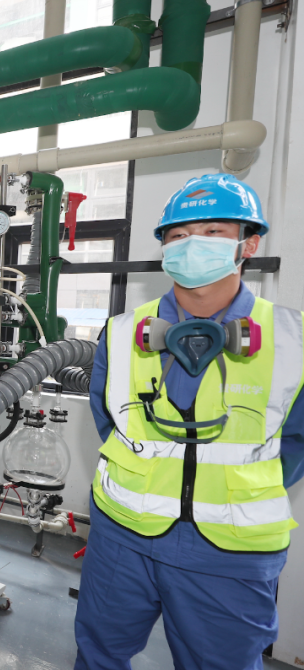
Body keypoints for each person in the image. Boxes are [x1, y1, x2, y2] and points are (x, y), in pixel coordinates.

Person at [75, 174, 304, 670]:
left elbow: (295, 444)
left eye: (213, 231)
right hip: (122, 535)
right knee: (98, 657)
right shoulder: (121, 333)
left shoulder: (292, 338)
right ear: (164, 249)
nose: (192, 244)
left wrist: (227, 489)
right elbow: (109, 422)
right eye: (178, 235)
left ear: (249, 244)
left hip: (231, 553)